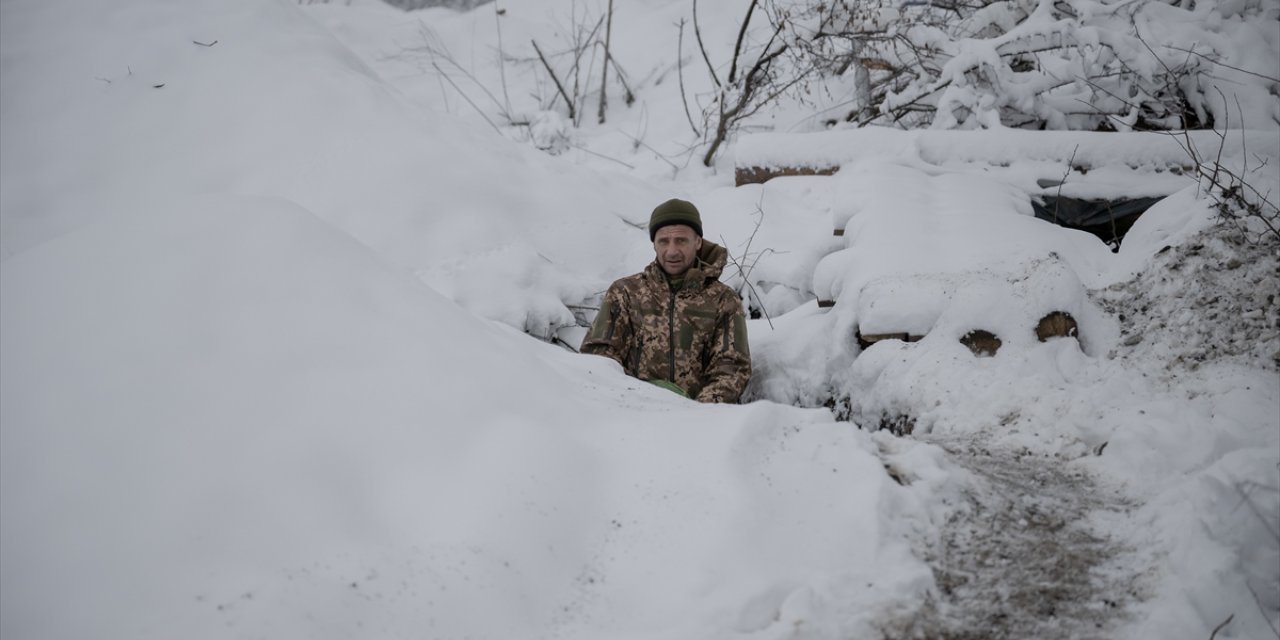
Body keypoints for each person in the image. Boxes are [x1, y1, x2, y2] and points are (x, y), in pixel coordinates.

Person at [581, 198, 751, 403]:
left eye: (681, 240)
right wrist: (631, 401)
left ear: (697, 242)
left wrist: (698, 411)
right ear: (653, 243)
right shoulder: (625, 293)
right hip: (632, 413)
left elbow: (732, 368)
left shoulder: (724, 300)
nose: (671, 251)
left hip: (702, 419)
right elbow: (598, 359)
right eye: (663, 241)